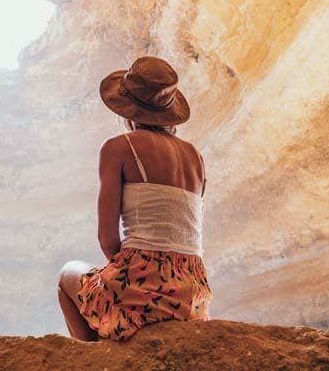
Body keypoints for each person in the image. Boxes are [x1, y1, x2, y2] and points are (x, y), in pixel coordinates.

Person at [57, 55, 213, 342]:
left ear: (127, 109)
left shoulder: (119, 148)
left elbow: (107, 240)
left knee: (68, 274)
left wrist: (130, 282)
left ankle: (92, 356)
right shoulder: (196, 157)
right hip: (192, 291)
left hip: (143, 283)